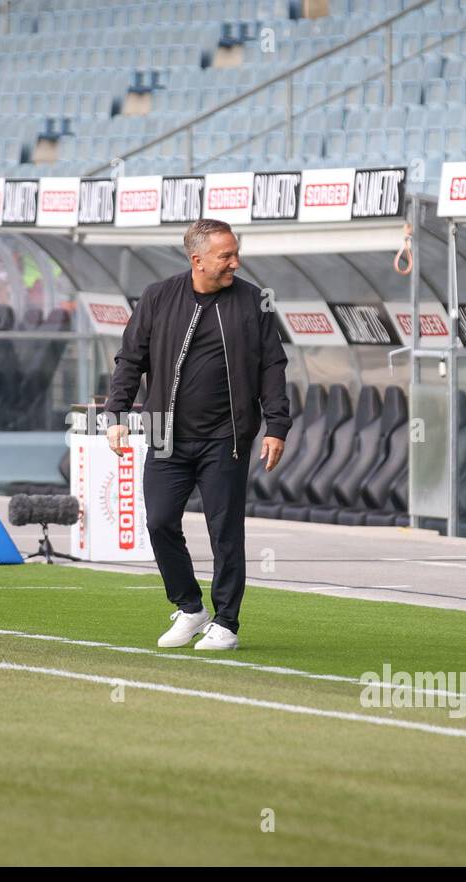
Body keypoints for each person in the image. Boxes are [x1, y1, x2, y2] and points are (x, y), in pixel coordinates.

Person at [104, 218, 290, 651]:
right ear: (197, 259)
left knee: (224, 530)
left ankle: (227, 621)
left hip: (226, 437)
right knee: (160, 521)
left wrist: (276, 425)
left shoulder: (254, 302)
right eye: (226, 256)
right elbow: (130, 359)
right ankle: (190, 608)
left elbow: (273, 366)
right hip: (165, 434)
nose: (235, 263)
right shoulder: (157, 297)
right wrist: (115, 414)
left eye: (235, 253)